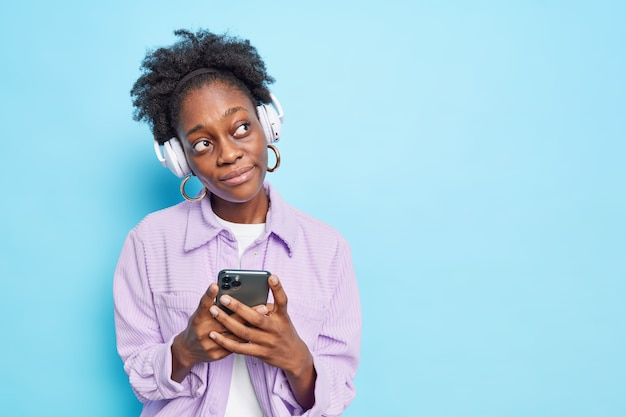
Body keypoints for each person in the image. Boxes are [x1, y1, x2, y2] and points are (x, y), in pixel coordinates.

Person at [113, 28, 362, 417]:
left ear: (268, 126)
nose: (229, 154)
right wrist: (185, 350)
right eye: (202, 143)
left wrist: (297, 360)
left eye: (242, 127)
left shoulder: (327, 249)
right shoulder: (148, 242)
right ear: (181, 160)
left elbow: (338, 391)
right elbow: (139, 377)